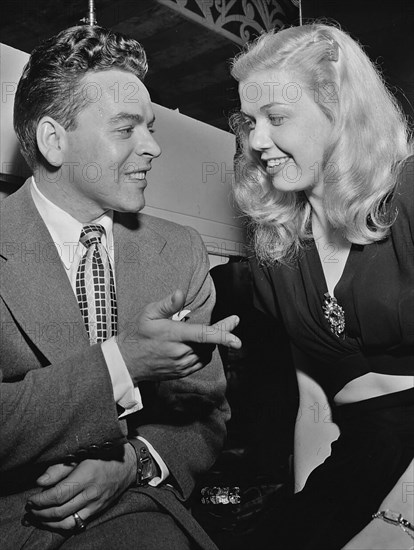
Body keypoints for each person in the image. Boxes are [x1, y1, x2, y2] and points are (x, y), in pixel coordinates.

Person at [0, 25, 242, 550]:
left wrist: (134, 462)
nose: (152, 147)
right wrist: (122, 364)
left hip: (139, 512)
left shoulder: (181, 250)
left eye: (150, 127)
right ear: (52, 140)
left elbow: (206, 411)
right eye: (126, 128)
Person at [229, 22, 414, 549]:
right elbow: (313, 392)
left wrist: (400, 520)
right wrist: (308, 506)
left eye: (276, 118)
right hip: (361, 451)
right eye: (250, 122)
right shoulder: (276, 249)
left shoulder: (409, 193)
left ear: (338, 108)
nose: (256, 141)